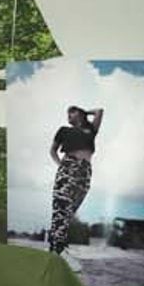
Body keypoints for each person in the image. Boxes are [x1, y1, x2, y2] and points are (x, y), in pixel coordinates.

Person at [48, 103, 103, 253]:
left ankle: (56, 244)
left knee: (70, 211)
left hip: (85, 171)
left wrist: (85, 112)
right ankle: (57, 248)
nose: (68, 116)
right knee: (62, 208)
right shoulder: (64, 131)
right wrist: (61, 166)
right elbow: (52, 151)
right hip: (69, 167)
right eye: (68, 114)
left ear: (79, 114)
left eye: (71, 113)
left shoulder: (90, 130)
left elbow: (99, 111)